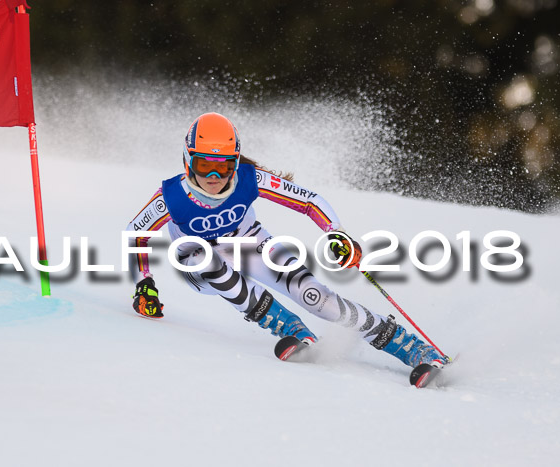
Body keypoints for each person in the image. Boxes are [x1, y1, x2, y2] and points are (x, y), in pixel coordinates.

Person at [126, 112, 448, 369]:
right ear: (187, 161)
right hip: (198, 261)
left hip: (249, 242)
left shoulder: (248, 180)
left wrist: (335, 232)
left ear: (235, 163)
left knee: (313, 295)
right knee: (207, 260)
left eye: (222, 167)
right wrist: (145, 284)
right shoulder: (171, 196)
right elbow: (135, 233)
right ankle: (287, 327)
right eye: (203, 166)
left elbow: (308, 200)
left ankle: (407, 346)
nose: (213, 178)